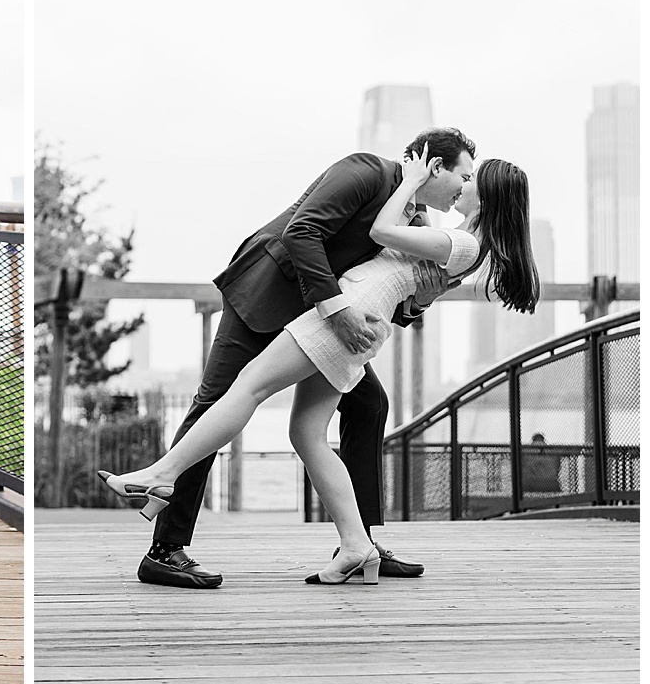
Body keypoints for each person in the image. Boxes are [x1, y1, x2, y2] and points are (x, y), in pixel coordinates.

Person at [99, 147, 538, 585]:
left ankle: (166, 477)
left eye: (474, 178)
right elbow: (302, 232)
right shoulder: (370, 173)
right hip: (283, 297)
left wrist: (407, 295)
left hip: (343, 317)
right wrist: (359, 304)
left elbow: (393, 266)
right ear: (435, 167)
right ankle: (171, 545)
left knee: (264, 393)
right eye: (464, 173)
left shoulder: (447, 234)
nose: (464, 184)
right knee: (271, 417)